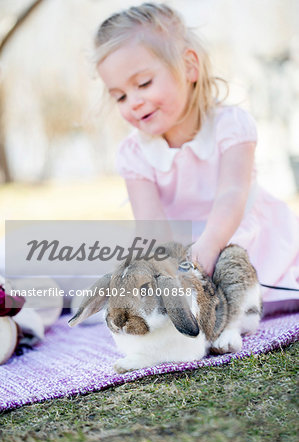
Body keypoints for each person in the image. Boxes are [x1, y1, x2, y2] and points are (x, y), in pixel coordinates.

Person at [93, 2, 299, 314]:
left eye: (144, 84)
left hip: (235, 235)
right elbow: (151, 228)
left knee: (247, 295)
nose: (133, 102)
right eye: (120, 95)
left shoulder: (230, 127)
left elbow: (233, 194)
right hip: (182, 248)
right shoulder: (134, 155)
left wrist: (208, 249)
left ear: (189, 66)